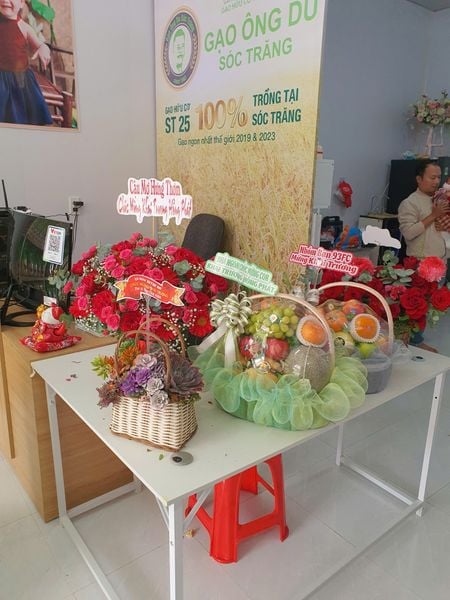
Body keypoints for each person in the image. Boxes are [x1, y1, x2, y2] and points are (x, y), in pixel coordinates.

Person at [398, 160, 449, 352]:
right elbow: (409, 233)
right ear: (419, 179)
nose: (436, 181)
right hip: (420, 264)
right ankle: (410, 342)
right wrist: (433, 215)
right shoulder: (410, 203)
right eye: (432, 177)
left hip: (439, 263)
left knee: (428, 306)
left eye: (439, 177)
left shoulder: (440, 199)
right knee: (415, 306)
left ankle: (416, 341)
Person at [0, 0, 53, 125]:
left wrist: (43, 49)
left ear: (22, 3)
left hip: (20, 79)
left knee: (20, 114)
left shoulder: (24, 27)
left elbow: (40, 45)